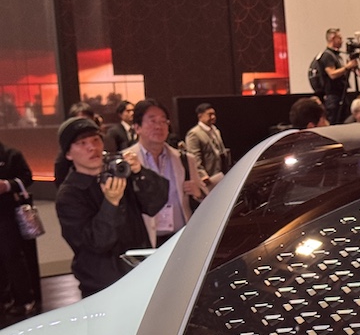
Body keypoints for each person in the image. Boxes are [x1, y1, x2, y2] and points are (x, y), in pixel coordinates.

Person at [55, 118, 168, 296]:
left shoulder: (117, 174)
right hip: (103, 286)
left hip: (140, 273)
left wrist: (140, 173)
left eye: (96, 140)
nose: (92, 147)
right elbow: (96, 242)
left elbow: (155, 204)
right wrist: (111, 203)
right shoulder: (69, 195)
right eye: (82, 143)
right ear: (68, 154)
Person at [124, 99, 208, 248]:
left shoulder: (185, 159)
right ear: (137, 127)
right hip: (144, 242)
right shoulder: (126, 162)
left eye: (163, 121)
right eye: (152, 121)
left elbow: (206, 199)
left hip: (180, 239)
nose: (159, 126)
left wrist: (198, 193)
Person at [0, 139, 38, 316]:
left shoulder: (11, 154)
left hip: (6, 214)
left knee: (12, 256)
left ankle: (25, 299)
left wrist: (7, 185)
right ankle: (4, 299)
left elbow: (27, 177)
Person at [317, 28, 359, 124]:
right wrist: (347, 67)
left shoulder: (337, 56)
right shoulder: (327, 55)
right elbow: (332, 74)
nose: (342, 41)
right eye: (339, 38)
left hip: (341, 94)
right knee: (335, 122)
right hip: (333, 97)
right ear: (332, 38)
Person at [185, 103, 230, 189]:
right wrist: (202, 175)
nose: (213, 117)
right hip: (209, 178)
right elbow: (194, 158)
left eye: (214, 114)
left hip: (221, 174)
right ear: (200, 116)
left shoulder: (215, 130)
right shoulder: (194, 134)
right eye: (210, 114)